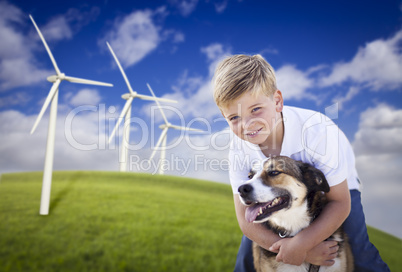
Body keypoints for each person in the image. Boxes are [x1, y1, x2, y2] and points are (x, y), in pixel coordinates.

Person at [212, 54, 390, 271]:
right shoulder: (239, 147)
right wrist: (296, 250)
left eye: (256, 109)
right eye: (234, 118)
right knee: (246, 258)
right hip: (269, 193)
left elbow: (339, 203)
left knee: (360, 253)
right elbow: (245, 220)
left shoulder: (318, 131)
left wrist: (302, 243)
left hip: (337, 188)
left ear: (277, 101)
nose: (248, 124)